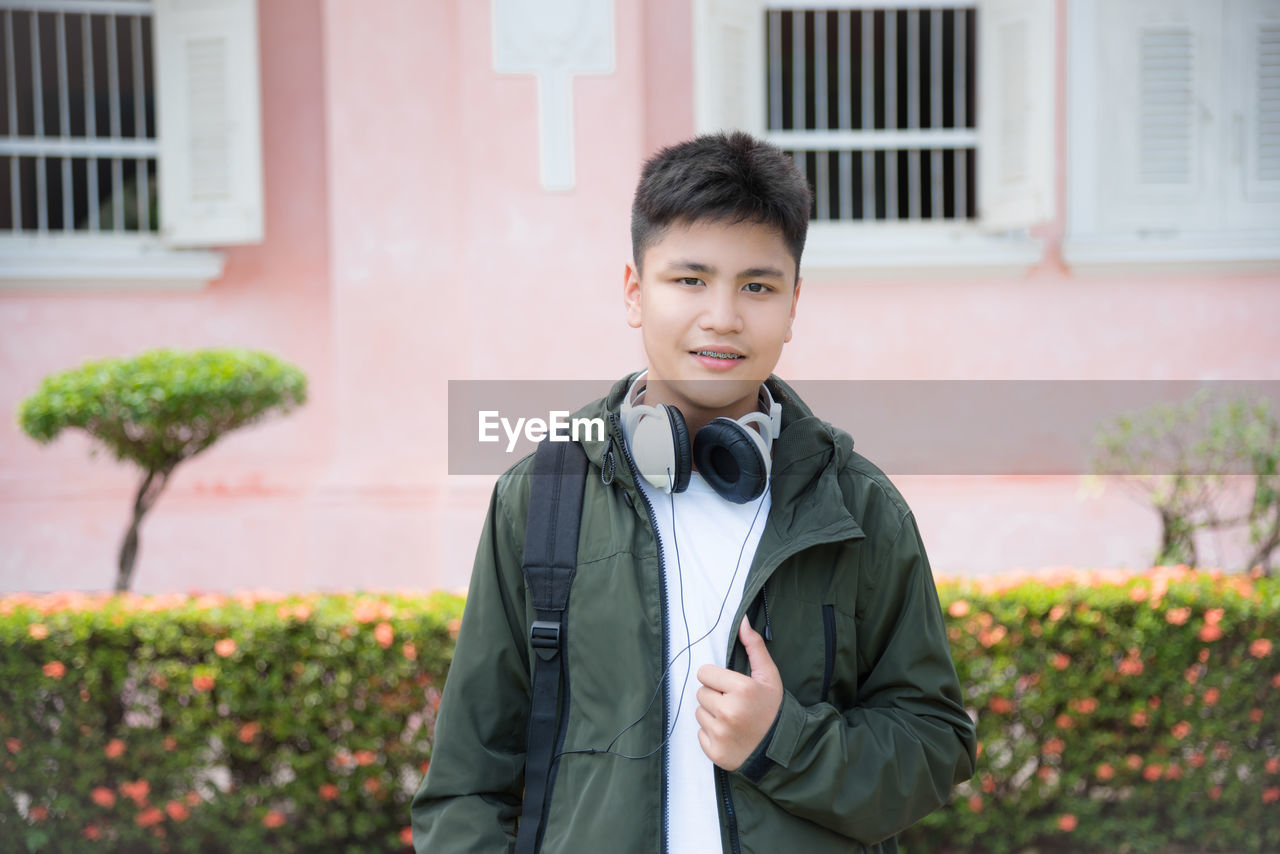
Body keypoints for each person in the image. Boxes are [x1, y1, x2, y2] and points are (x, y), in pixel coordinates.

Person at [411, 131, 976, 853]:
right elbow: (467, 781)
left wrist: (782, 741)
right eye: (690, 279)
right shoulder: (542, 497)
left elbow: (933, 747)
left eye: (758, 286)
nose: (723, 317)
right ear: (633, 292)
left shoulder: (860, 507)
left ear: (794, 304)